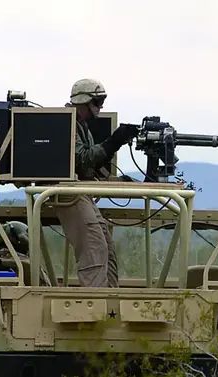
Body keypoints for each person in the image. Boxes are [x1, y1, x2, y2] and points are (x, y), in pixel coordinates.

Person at [55, 78, 138, 287]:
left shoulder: (81, 126)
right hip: (70, 194)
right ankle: (94, 310)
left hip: (80, 192)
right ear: (83, 101)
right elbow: (82, 159)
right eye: (97, 102)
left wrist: (116, 180)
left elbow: (88, 167)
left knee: (106, 251)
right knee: (94, 251)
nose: (100, 108)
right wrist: (114, 141)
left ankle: (109, 305)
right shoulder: (67, 123)